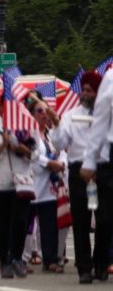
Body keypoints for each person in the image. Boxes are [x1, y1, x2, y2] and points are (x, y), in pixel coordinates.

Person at [0, 89, 37, 279]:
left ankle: (17, 258)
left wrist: (23, 149)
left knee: (20, 220)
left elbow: (38, 152)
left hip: (22, 180)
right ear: (2, 105)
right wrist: (1, 146)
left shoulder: (28, 123)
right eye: (8, 103)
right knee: (4, 222)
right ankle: (4, 261)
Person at [53, 70, 100, 283]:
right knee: (80, 220)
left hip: (102, 172)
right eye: (85, 90)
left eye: (90, 91)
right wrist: (55, 125)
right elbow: (60, 143)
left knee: (105, 218)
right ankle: (84, 267)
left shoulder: (106, 114)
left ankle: (101, 261)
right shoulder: (70, 115)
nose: (86, 94)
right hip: (78, 170)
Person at [27, 95, 65, 274]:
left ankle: (50, 259)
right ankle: (19, 258)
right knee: (24, 226)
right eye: (39, 111)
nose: (44, 114)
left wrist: (61, 163)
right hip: (31, 185)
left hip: (50, 188)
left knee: (49, 226)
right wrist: (49, 163)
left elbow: (62, 149)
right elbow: (32, 155)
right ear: (32, 114)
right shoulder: (28, 133)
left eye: (46, 111)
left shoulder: (51, 134)